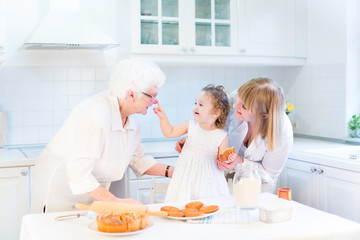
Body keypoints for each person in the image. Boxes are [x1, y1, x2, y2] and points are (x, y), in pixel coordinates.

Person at [31, 59, 175, 213]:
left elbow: (137, 160)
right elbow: (79, 172)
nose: (155, 102)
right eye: (152, 96)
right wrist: (115, 202)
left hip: (91, 195)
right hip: (61, 194)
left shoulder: (133, 120)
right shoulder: (96, 114)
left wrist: (174, 172)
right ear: (131, 94)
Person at [176, 78, 293, 193]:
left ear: (264, 116)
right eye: (238, 100)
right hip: (226, 175)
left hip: (259, 184)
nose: (235, 106)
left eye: (244, 107)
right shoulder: (233, 100)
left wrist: (240, 161)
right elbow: (213, 130)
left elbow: (268, 175)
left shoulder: (281, 132)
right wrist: (195, 140)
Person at [153, 84, 231, 202]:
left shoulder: (221, 136)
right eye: (195, 103)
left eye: (200, 105)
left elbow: (223, 162)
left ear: (216, 112)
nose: (195, 107)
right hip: (186, 179)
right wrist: (162, 117)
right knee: (183, 207)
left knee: (207, 210)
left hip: (209, 184)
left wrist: (225, 161)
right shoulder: (190, 126)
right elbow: (170, 132)